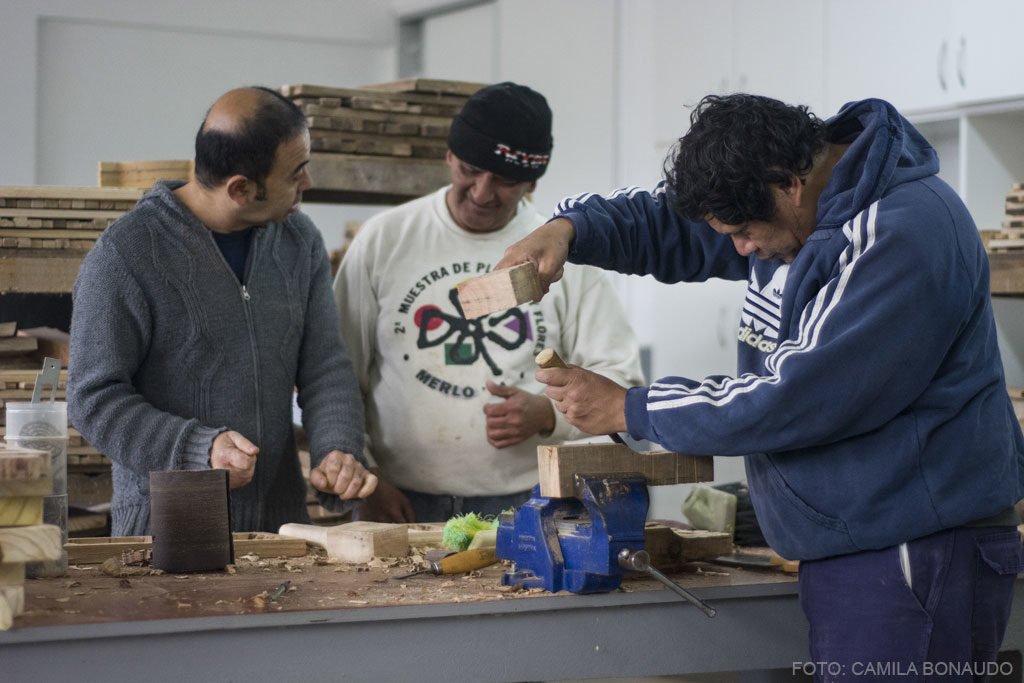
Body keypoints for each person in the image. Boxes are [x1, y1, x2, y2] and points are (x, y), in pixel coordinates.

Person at [497, 94, 1024, 670]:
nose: (741, 250)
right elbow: (669, 224)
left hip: (914, 552)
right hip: (861, 544)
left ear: (788, 185)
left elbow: (801, 395)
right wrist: (568, 230)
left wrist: (632, 407)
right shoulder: (799, 205)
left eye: (745, 231)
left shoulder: (901, 232)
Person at [68, 87, 377, 536]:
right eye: (296, 173)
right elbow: (94, 399)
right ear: (241, 188)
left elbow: (325, 366)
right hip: (165, 538)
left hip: (280, 533)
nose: (306, 185)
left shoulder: (299, 242)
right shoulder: (127, 255)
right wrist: (199, 448)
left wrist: (339, 449)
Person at [333, 82, 643, 523]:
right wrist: (367, 477)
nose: (481, 192)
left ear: (533, 181)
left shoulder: (562, 252)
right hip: (397, 500)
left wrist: (546, 414)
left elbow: (622, 378)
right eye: (469, 170)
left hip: (530, 502)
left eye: (505, 180)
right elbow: (340, 372)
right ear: (449, 157)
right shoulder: (385, 240)